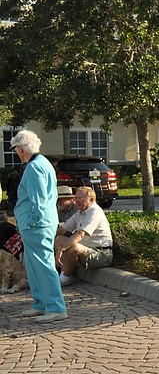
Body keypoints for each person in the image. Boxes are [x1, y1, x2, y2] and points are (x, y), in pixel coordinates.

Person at [11, 130, 67, 323]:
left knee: (43, 265)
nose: (16, 153)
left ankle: (55, 307)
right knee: (35, 266)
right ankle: (42, 303)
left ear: (21, 149)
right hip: (39, 223)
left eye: (16, 149)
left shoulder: (34, 167)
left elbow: (39, 200)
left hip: (37, 224)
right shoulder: (42, 164)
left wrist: (31, 221)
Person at [55, 186, 113, 286]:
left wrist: (62, 249)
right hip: (86, 250)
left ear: (92, 199)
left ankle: (64, 279)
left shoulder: (95, 212)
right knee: (59, 239)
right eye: (76, 198)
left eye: (80, 198)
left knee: (74, 247)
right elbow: (61, 230)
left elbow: (80, 234)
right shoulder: (79, 213)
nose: (77, 201)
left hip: (101, 254)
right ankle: (62, 272)